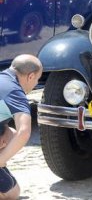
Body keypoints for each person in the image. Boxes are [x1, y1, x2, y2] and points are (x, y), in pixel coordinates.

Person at [0, 54, 42, 199]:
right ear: (30, 76)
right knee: (12, 193)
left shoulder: (2, 78)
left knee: (9, 133)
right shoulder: (15, 92)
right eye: (37, 79)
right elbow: (24, 132)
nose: (36, 84)